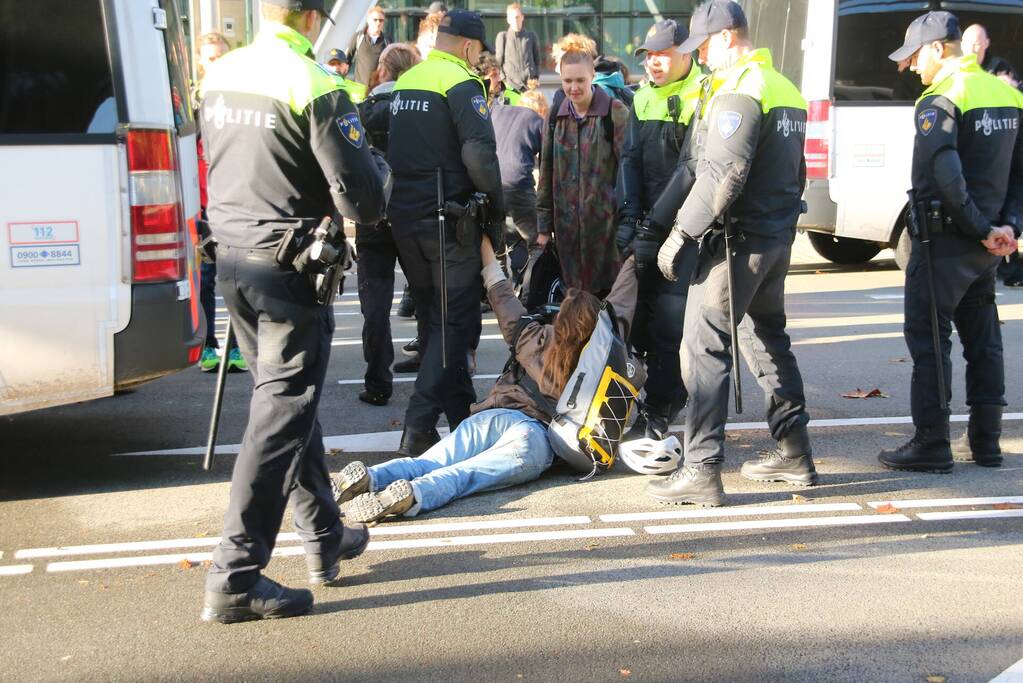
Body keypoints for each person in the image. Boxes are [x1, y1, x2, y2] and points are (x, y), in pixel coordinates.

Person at [198, 0, 389, 623]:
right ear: (312, 17)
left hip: (232, 261)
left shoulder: (221, 73)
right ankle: (236, 575)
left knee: (287, 399)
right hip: (288, 272)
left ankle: (323, 534)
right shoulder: (313, 82)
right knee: (280, 414)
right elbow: (363, 199)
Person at [331, 237, 640, 523]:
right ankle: (414, 495)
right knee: (464, 476)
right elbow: (623, 301)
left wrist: (484, 240)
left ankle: (367, 477)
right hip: (538, 440)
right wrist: (637, 254)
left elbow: (499, 287)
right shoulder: (602, 359)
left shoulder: (531, 336)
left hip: (495, 417)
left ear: (561, 319)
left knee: (427, 461)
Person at [650, 0, 816, 507]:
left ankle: (701, 469)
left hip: (735, 244)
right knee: (766, 340)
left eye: (701, 48)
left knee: (703, 348)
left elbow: (723, 174)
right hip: (774, 238)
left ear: (724, 38)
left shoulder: (740, 87)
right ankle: (794, 453)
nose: (699, 59)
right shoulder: (782, 86)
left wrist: (679, 234)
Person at [877, 11, 1022, 473]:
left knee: (930, 342)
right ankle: (986, 442)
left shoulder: (940, 100)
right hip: (987, 248)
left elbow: (947, 178)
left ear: (939, 48)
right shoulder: (1006, 94)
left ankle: (931, 442)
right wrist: (1008, 228)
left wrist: (981, 228)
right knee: (983, 341)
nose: (913, 67)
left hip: (944, 243)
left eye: (916, 55)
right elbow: (1019, 174)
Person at [386, 10, 505, 457]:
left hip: (406, 218)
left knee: (434, 320)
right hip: (448, 221)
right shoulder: (461, 83)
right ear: (470, 47)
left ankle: (459, 417)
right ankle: (417, 426)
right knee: (453, 323)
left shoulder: (407, 81)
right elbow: (479, 157)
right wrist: (497, 207)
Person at [617, 19, 705, 441]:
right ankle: (659, 398)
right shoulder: (642, 98)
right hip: (647, 227)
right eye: (648, 55)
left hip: (686, 229)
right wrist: (629, 219)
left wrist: (657, 227)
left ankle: (659, 409)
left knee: (670, 325)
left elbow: (692, 170)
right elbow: (629, 161)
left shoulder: (703, 95)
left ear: (685, 53)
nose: (652, 62)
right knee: (642, 322)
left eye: (662, 54)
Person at [355, 43, 423, 406]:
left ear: (381, 71)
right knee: (426, 295)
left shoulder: (362, 112)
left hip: (373, 217)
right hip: (414, 213)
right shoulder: (421, 111)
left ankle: (377, 381)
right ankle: (430, 372)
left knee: (375, 302)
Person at [537, 48, 628, 296]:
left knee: (606, 302)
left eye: (580, 80)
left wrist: (628, 223)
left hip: (606, 234)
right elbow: (545, 172)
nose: (573, 87)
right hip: (566, 235)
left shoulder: (614, 112)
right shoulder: (555, 115)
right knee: (572, 303)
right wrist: (544, 228)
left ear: (592, 78)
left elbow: (628, 172)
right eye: (567, 81)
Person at [193, 32, 245, 374]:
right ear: (200, 61)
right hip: (203, 206)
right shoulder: (192, 101)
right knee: (208, 279)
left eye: (220, 57)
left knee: (239, 279)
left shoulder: (242, 98)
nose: (216, 63)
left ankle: (239, 348)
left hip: (237, 203)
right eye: (210, 58)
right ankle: (209, 345)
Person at [961, 23, 1023, 288]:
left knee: (1006, 206)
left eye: (977, 43)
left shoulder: (1000, 67)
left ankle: (1010, 267)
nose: (973, 49)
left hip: (1001, 148)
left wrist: (1008, 87)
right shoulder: (960, 72)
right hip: (975, 151)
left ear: (986, 43)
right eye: (968, 43)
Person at [491, 87, 548, 285]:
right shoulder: (537, 120)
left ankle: (506, 287)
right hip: (518, 185)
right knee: (537, 241)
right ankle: (531, 288)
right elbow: (548, 163)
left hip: (491, 183)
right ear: (542, 110)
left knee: (509, 237)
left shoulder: (499, 113)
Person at [495, 3, 540, 93]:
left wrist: (535, 77)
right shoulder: (503, 37)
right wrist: (504, 80)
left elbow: (537, 60)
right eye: (512, 17)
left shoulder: (531, 36)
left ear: (522, 17)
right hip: (510, 87)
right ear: (508, 19)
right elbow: (498, 62)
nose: (515, 20)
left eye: (517, 17)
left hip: (529, 87)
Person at [347, 5, 390, 87]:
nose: (378, 23)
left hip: (379, 89)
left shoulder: (387, 40)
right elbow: (347, 61)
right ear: (368, 20)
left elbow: (392, 65)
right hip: (360, 89)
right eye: (375, 20)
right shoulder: (358, 37)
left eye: (381, 20)